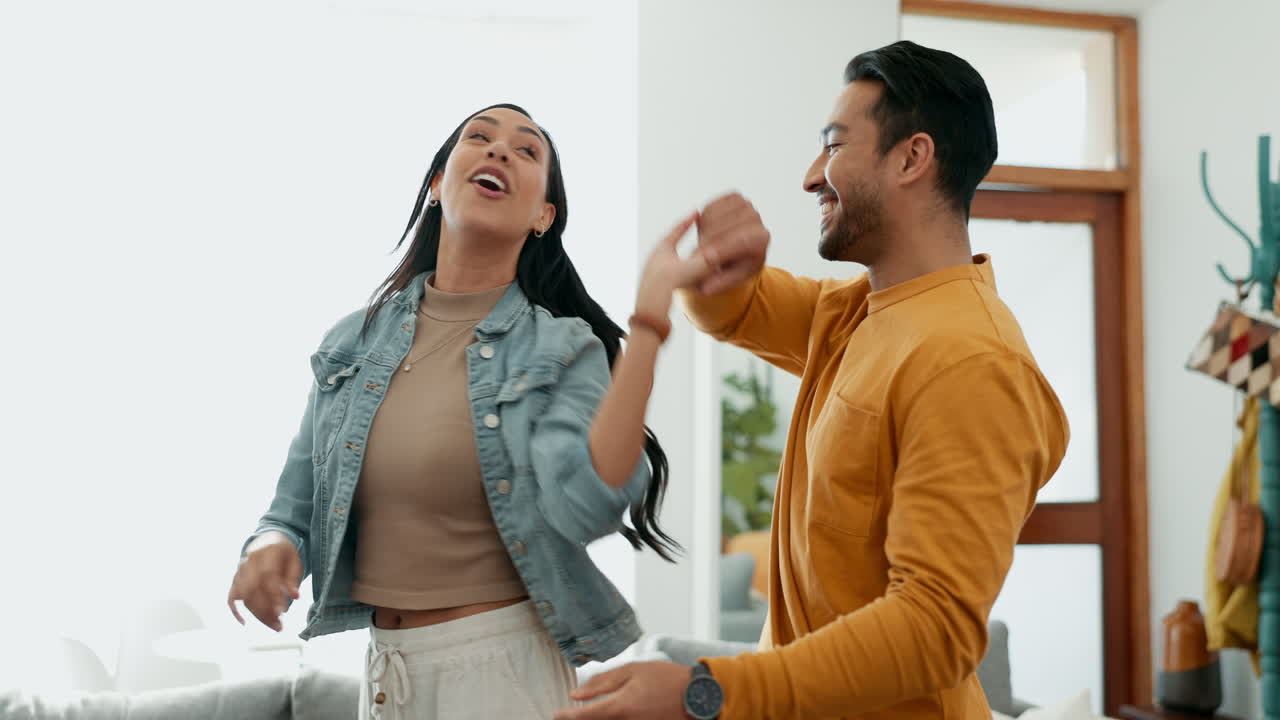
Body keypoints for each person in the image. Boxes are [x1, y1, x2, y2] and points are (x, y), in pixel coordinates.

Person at [559, 41, 1069, 720]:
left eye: (833, 145)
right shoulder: (858, 310)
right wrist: (719, 264)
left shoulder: (972, 360)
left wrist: (703, 691)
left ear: (912, 158)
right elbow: (735, 308)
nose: (810, 176)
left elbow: (934, 626)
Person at [227, 103, 713, 720]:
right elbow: (292, 507)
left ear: (544, 216)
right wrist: (268, 548)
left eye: (526, 150)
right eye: (478, 138)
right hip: (384, 674)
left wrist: (647, 325)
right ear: (436, 184)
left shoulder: (560, 348)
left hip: (503, 674)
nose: (498, 151)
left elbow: (586, 506)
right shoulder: (351, 342)